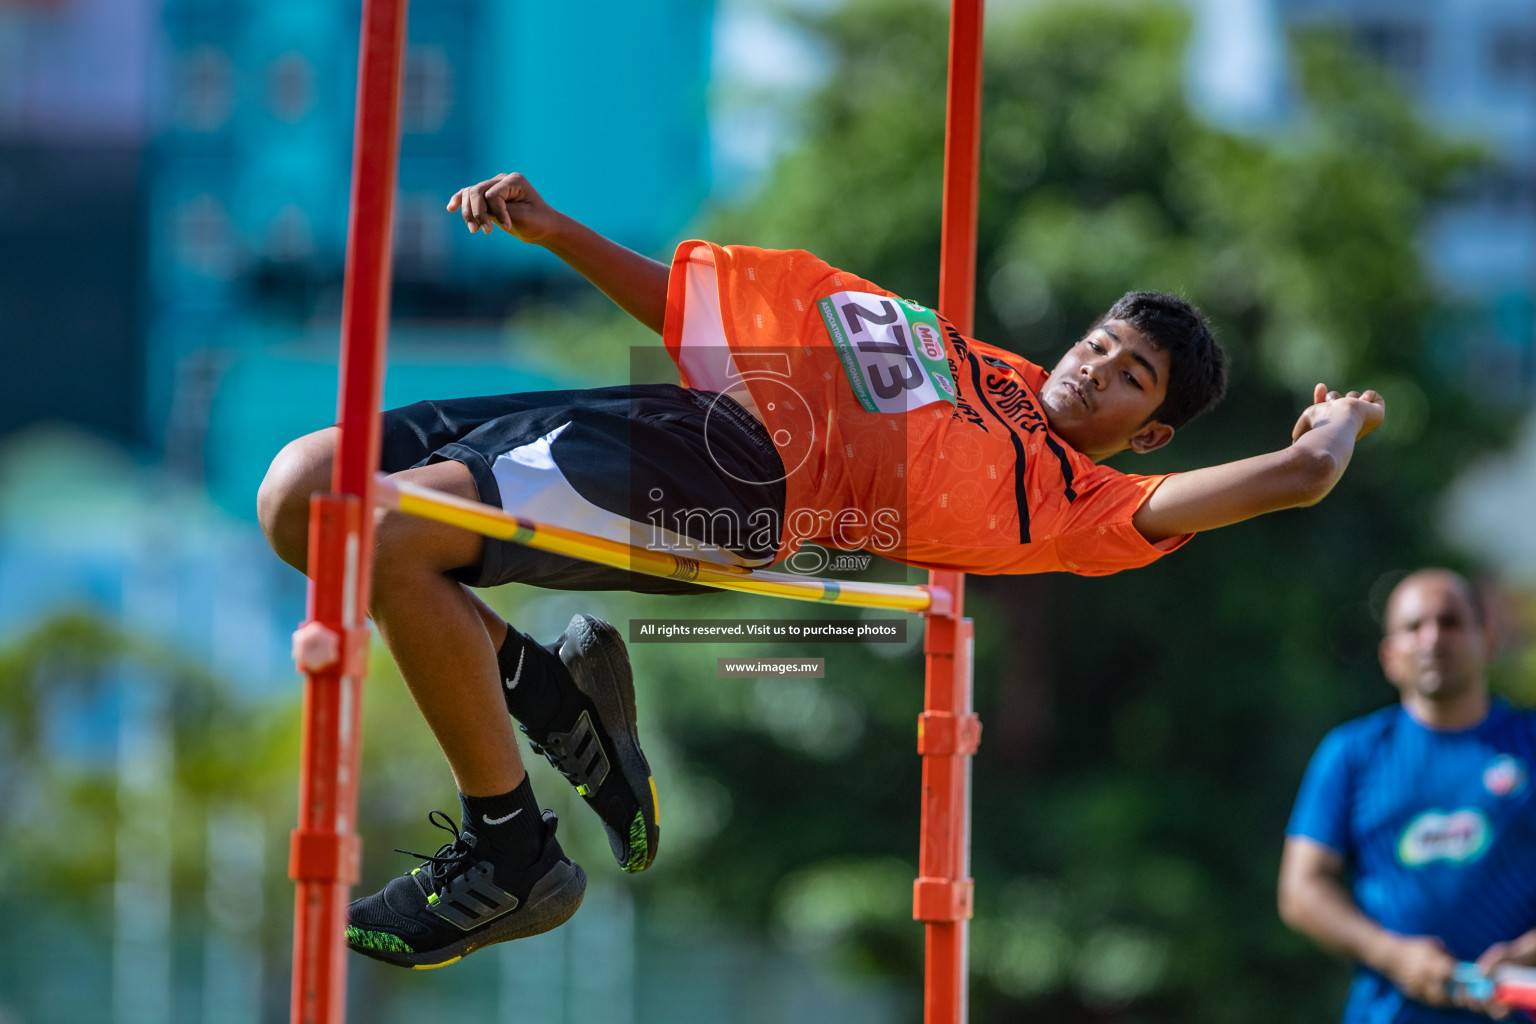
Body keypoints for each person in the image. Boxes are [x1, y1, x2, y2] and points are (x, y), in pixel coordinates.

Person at [258, 172, 1387, 969]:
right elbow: (715, 321)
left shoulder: (1089, 503)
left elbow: (1291, 479)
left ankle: (511, 853)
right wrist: (559, 232)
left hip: (737, 487)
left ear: (1149, 433)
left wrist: (1332, 428)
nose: (1097, 370)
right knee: (306, 494)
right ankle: (555, 702)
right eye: (1101, 344)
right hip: (681, 408)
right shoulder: (974, 359)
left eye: (1131, 378)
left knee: (387, 531)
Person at [1279, 569, 1536, 1021]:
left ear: (1488, 640)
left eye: (1451, 622)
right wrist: (1392, 954)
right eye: (1414, 627)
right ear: (1389, 656)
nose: (1433, 639)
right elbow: (1301, 890)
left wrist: (1529, 951)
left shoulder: (1530, 743)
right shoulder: (1352, 754)